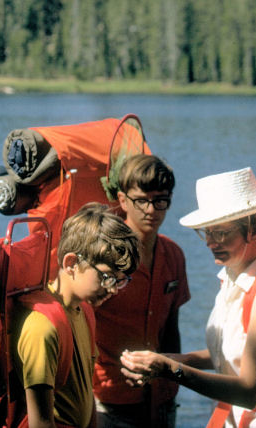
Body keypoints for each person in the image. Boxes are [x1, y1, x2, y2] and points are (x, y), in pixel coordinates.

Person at [120, 167, 256, 428]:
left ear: (254, 231)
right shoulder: (234, 275)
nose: (211, 242)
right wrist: (175, 360)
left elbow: (249, 390)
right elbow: (234, 353)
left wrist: (171, 371)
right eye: (207, 232)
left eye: (221, 233)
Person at [11, 202, 140, 428]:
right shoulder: (42, 327)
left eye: (120, 281)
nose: (112, 290)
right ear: (71, 263)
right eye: (107, 277)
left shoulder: (85, 312)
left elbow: (86, 393)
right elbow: (40, 422)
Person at [93, 154, 191, 428]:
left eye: (160, 200)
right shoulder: (104, 255)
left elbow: (172, 325)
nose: (151, 210)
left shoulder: (174, 255)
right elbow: (78, 321)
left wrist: (173, 380)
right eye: (141, 201)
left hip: (160, 399)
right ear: (123, 200)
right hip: (107, 400)